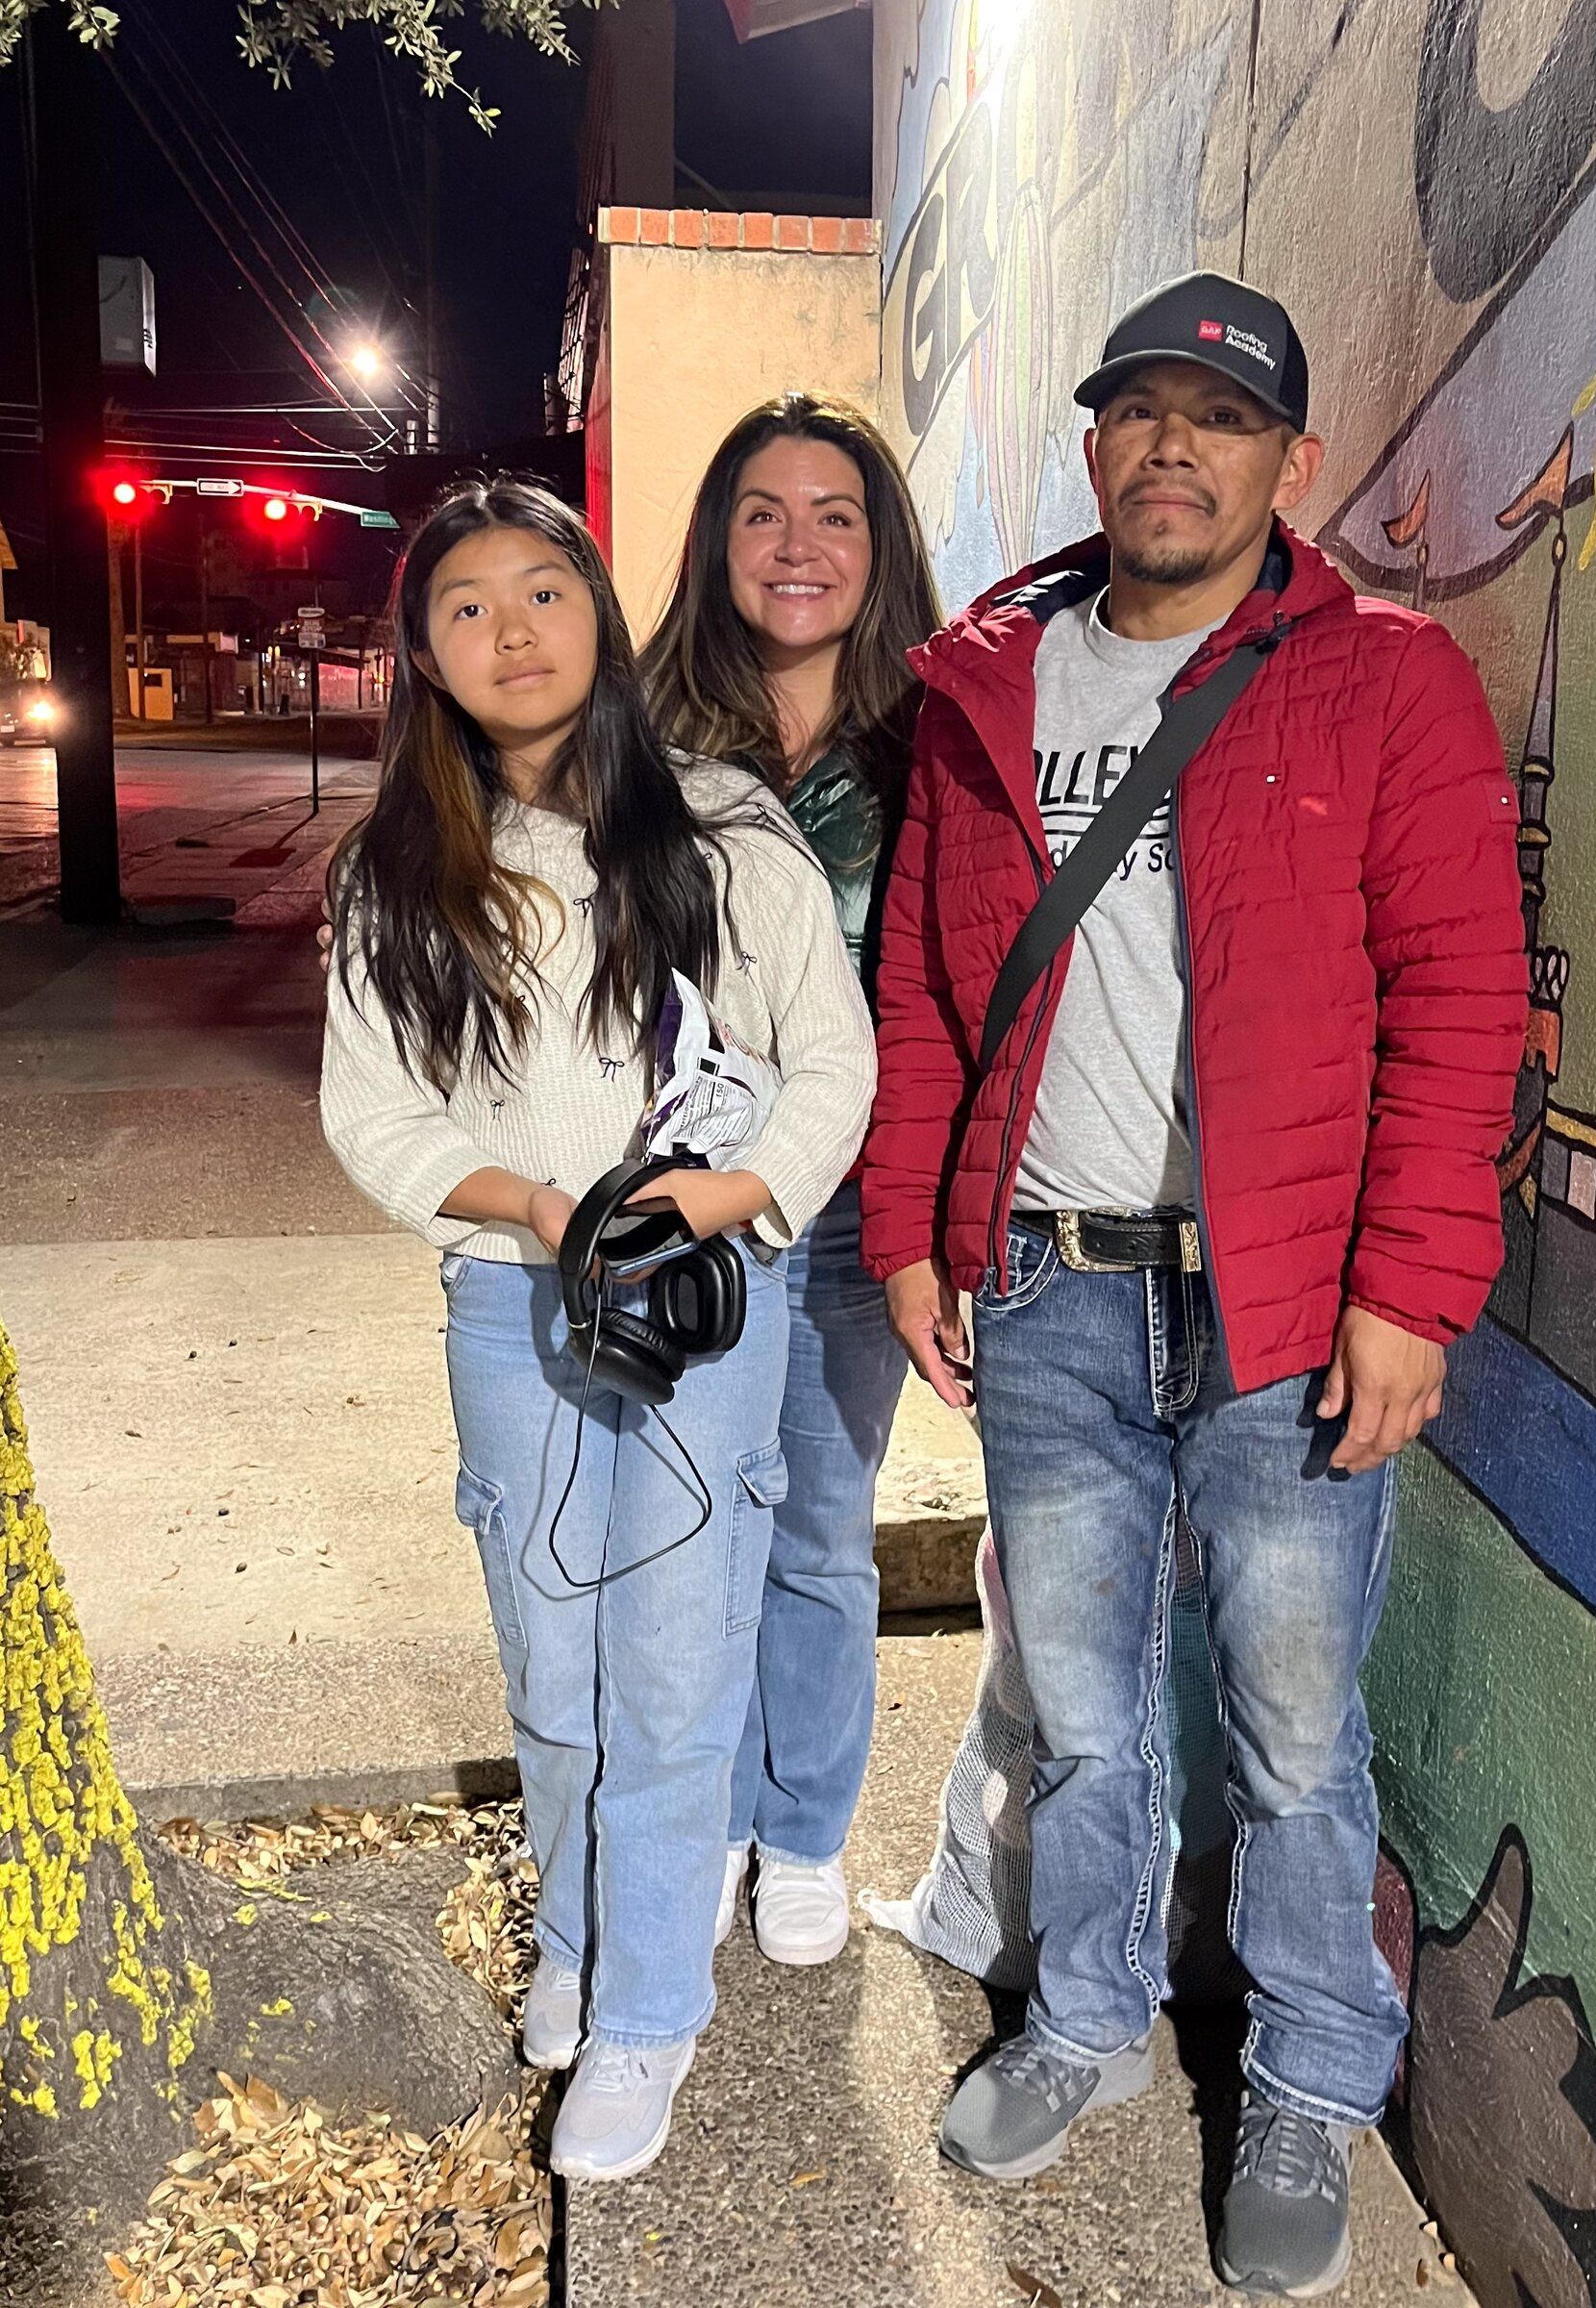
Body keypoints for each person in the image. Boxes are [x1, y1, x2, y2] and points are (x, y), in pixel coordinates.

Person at [860, 273, 1526, 2293]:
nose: (1173, 448)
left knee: (1295, 1726)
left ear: (1286, 466)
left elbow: (1459, 999)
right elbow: (921, 992)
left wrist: (1410, 1289)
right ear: (1096, 444)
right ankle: (1083, 2020)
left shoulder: (1383, 679)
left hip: (1291, 1313)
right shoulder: (985, 682)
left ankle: (1312, 2081)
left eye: (1217, 421)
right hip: (1050, 1296)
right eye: (1138, 412)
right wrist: (908, 1229)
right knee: (1075, 1706)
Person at [319, 478, 875, 2181]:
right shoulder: (401, 869)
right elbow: (378, 1113)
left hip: (704, 1307)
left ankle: (647, 2015)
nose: (513, 631)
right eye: (468, 606)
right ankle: (575, 1933)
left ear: (601, 615)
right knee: (552, 1663)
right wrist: (540, 1212)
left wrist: (714, 1200)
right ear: (424, 652)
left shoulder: (720, 834)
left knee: (676, 1653)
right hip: (513, 1307)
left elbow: (829, 1065)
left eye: (544, 591)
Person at [639, 394, 944, 1965]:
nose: (799, 543)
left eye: (836, 513)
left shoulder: (935, 743)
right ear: (718, 540)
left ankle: (804, 1824)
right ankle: (706, 1819)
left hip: (849, 1217)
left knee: (820, 1528)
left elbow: (962, 985)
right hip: (687, 1205)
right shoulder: (642, 737)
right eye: (764, 510)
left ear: (879, 547)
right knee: (691, 1532)